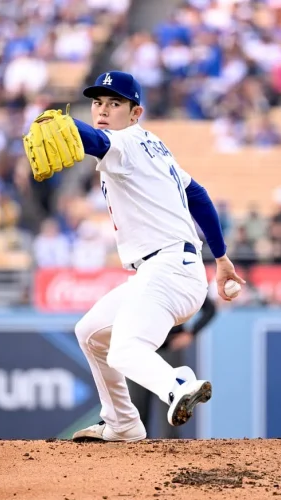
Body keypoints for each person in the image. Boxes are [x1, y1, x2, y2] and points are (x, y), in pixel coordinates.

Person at [26, 71, 245, 442]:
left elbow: (95, 138)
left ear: (135, 112)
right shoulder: (155, 145)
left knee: (126, 350)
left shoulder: (123, 142)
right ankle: (122, 423)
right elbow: (199, 196)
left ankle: (177, 384)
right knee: (91, 333)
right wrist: (221, 258)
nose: (103, 110)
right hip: (168, 270)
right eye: (97, 102)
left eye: (115, 103)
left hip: (168, 270)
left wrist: (64, 122)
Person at [127, 294, 217, 439]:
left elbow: (210, 308)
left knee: (173, 408)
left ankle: (171, 457)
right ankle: (136, 458)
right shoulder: (138, 284)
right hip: (140, 350)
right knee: (137, 410)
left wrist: (192, 333)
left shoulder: (175, 280)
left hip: (169, 348)